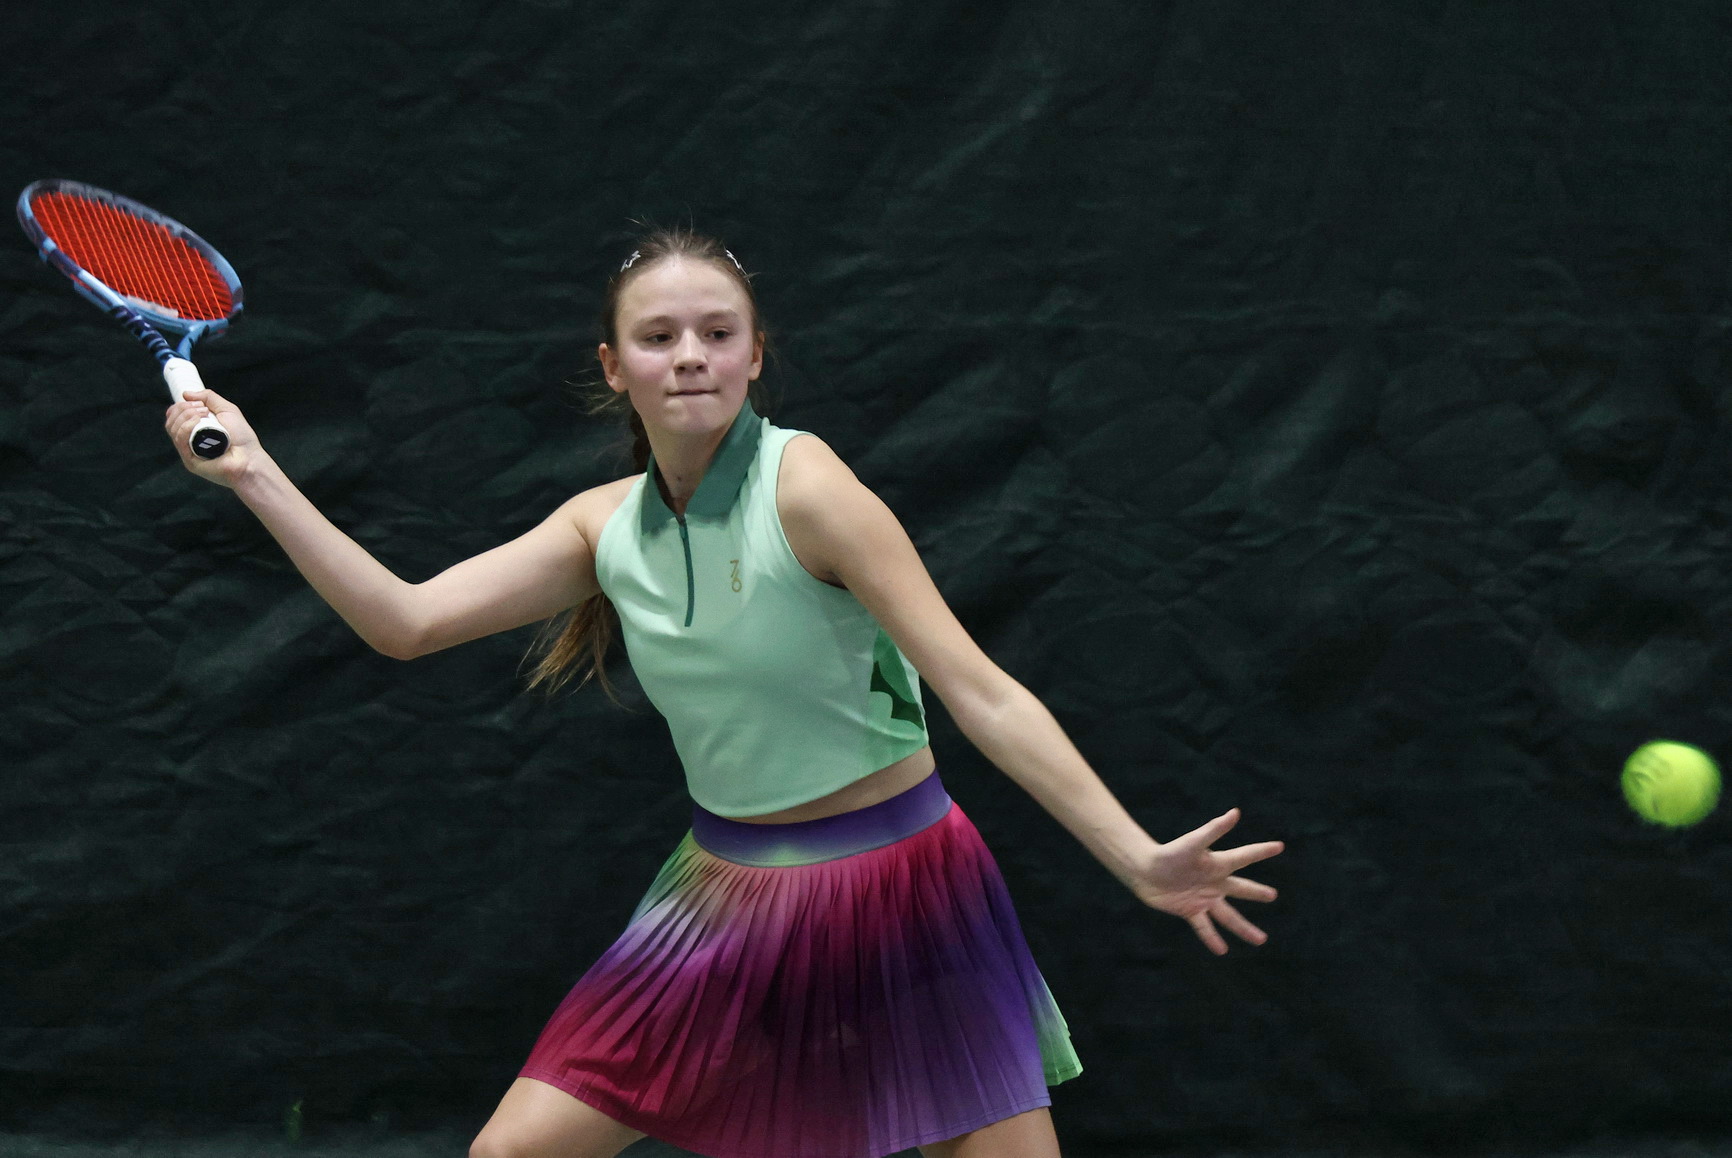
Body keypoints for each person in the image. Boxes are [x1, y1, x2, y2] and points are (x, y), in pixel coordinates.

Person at [164, 229, 1284, 1158]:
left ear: (754, 357)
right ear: (615, 367)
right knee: (512, 1153)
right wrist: (253, 471)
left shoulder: (811, 490)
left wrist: (1136, 857)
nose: (690, 356)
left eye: (718, 334)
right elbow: (404, 623)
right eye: (658, 338)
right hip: (722, 900)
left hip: (906, 886)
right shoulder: (599, 527)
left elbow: (979, 692)